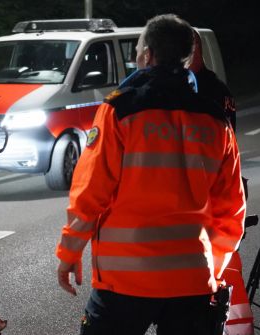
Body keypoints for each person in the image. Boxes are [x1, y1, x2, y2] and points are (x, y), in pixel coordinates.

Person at [55, 14, 246, 335]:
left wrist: (70, 252)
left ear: (147, 55)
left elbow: (90, 192)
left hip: (125, 281)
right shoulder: (215, 121)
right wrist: (210, 270)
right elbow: (231, 210)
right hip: (192, 282)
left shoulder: (120, 110)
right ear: (188, 59)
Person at [189, 29, 253, 335]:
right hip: (219, 189)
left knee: (219, 263)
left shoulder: (207, 92)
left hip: (212, 193)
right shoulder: (212, 88)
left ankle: (228, 320)